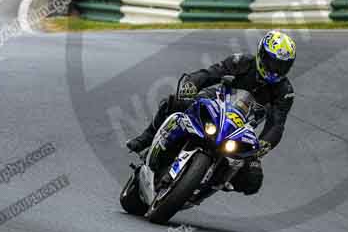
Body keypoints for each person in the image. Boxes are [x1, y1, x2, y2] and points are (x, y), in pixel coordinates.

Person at [127, 30, 296, 196]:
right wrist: (191, 85)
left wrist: (263, 145)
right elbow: (209, 74)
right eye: (272, 63)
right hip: (215, 103)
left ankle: (212, 183)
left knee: (253, 180)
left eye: (282, 66)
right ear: (261, 55)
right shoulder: (242, 62)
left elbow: (277, 124)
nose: (276, 70)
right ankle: (147, 137)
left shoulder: (285, 91)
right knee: (174, 102)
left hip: (240, 128)